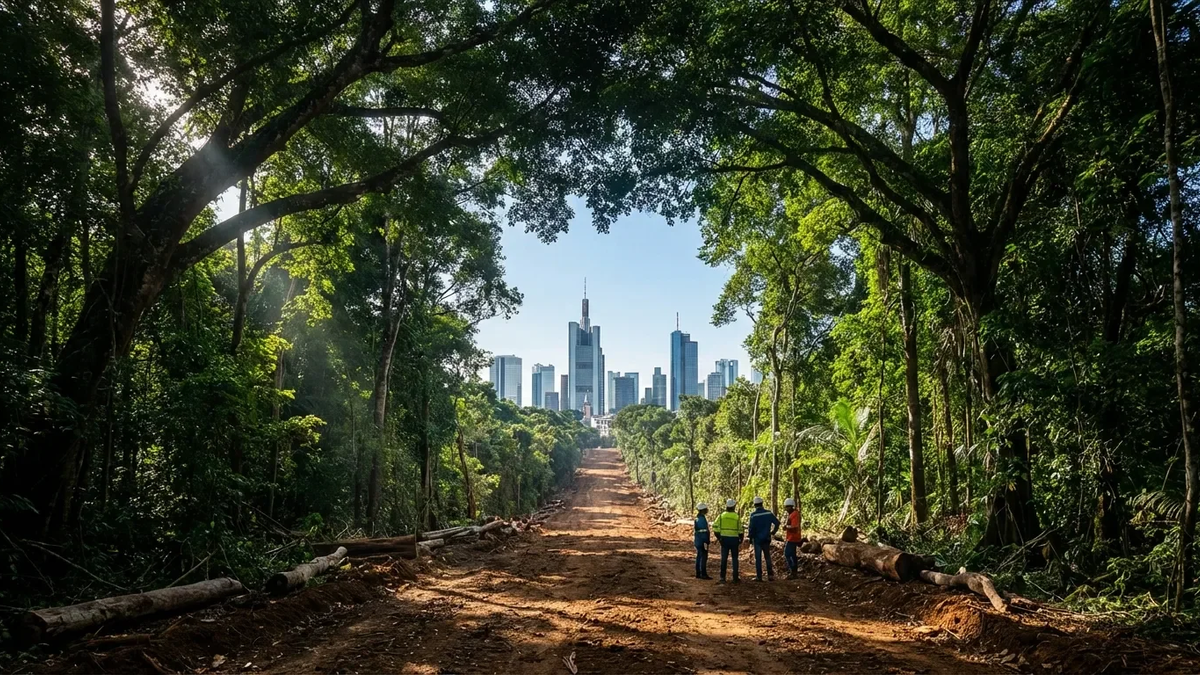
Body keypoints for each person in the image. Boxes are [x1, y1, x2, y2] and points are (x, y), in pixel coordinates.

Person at [747, 496, 780, 581]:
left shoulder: (753, 515)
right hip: (766, 538)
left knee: (758, 558)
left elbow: (751, 528)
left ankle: (759, 576)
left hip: (757, 539)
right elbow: (777, 523)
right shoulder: (768, 513)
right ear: (762, 504)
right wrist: (773, 532)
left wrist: (750, 538)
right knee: (767, 557)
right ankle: (770, 575)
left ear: (754, 505)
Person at [713, 499, 743, 584]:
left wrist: (719, 538)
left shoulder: (721, 516)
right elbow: (740, 530)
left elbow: (715, 527)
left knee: (724, 559)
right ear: (734, 506)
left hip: (724, 540)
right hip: (734, 539)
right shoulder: (736, 516)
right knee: (734, 559)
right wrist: (741, 539)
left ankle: (722, 577)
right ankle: (735, 577)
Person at [782, 497, 801, 579]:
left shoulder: (795, 514)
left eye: (787, 507)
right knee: (793, 555)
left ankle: (793, 571)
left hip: (793, 537)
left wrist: (786, 527)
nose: (786, 509)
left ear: (790, 506)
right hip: (791, 537)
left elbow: (795, 526)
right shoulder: (792, 514)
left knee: (787, 554)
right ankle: (794, 572)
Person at [693, 503, 712, 580]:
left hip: (697, 539)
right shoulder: (702, 519)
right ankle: (703, 573)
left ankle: (698, 573)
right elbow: (704, 531)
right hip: (702, 540)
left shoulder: (697, 518)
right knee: (704, 556)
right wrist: (706, 540)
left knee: (698, 556)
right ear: (703, 510)